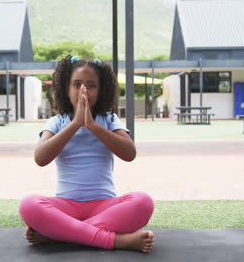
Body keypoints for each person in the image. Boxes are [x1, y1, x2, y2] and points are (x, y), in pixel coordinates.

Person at [19, 55, 155, 253]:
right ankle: (116, 241)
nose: (83, 90)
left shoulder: (109, 119)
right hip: (66, 207)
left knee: (143, 202)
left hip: (105, 206)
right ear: (66, 89)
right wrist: (75, 124)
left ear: (101, 91)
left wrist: (91, 125)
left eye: (91, 86)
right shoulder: (57, 121)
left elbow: (129, 153)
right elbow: (40, 158)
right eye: (76, 84)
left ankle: (59, 235)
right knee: (28, 205)